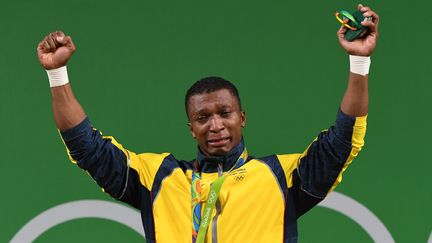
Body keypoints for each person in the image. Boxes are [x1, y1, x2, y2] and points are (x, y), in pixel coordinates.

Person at [37, 4, 379, 243]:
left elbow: (342, 141)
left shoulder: (280, 178)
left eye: (224, 113)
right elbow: (87, 148)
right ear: (190, 127)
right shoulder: (159, 178)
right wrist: (57, 73)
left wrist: (359, 62)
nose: (215, 125)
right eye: (202, 118)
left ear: (242, 118)